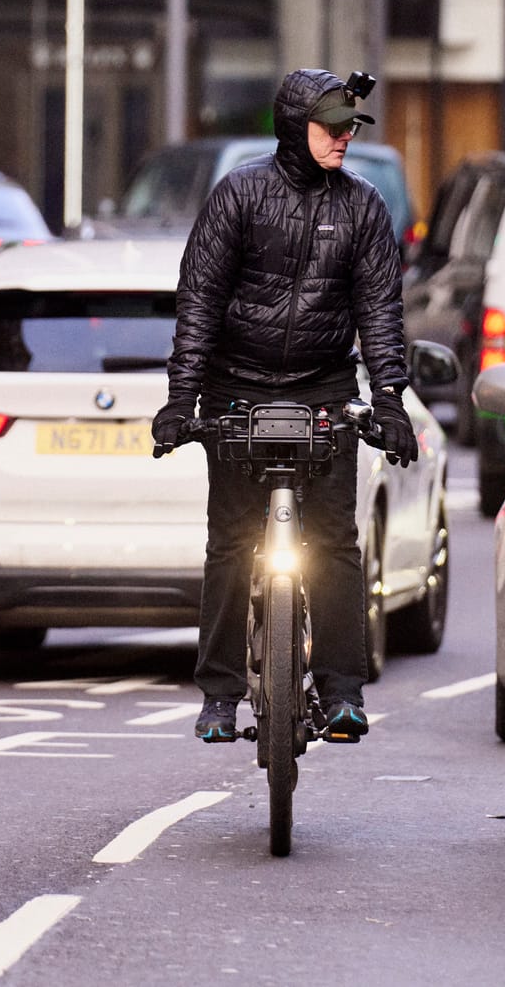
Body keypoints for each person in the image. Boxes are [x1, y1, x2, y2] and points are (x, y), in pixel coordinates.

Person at [153, 68, 418, 746]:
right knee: (232, 544)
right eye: (331, 127)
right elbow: (200, 303)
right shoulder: (239, 193)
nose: (343, 139)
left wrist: (388, 398)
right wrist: (183, 398)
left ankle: (341, 692)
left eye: (350, 127)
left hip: (324, 388)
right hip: (236, 386)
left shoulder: (362, 207)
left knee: (333, 543)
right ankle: (218, 695)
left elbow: (380, 311)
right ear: (293, 127)